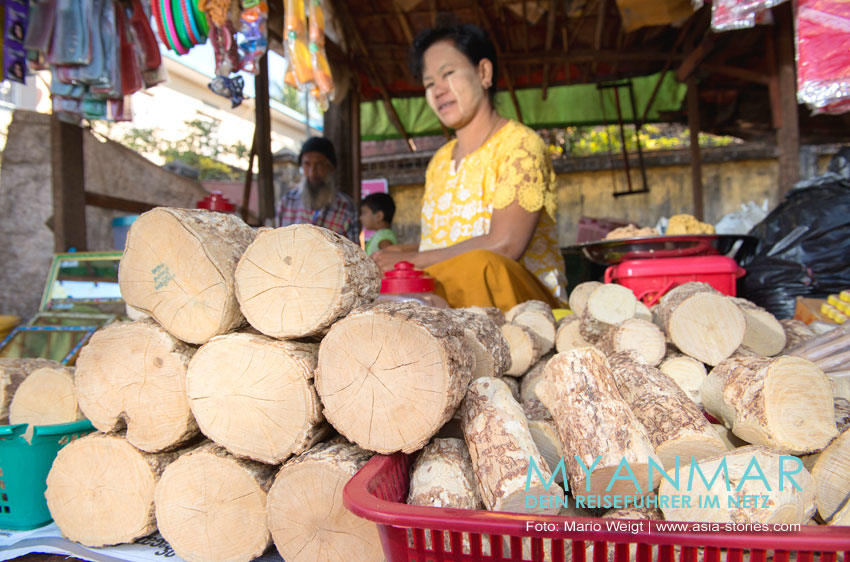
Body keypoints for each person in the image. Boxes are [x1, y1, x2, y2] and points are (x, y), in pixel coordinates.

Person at [372, 24, 567, 311]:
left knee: (483, 266)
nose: (438, 91)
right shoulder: (439, 161)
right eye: (428, 84)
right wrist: (404, 253)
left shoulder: (521, 144)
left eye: (448, 74)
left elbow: (504, 244)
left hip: (525, 307)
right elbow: (450, 247)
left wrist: (412, 260)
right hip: (457, 296)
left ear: (483, 73)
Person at [276, 136, 358, 242]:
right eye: (307, 164)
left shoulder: (346, 207)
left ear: (330, 168)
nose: (312, 172)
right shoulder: (287, 202)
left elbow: (355, 254)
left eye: (319, 165)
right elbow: (277, 243)